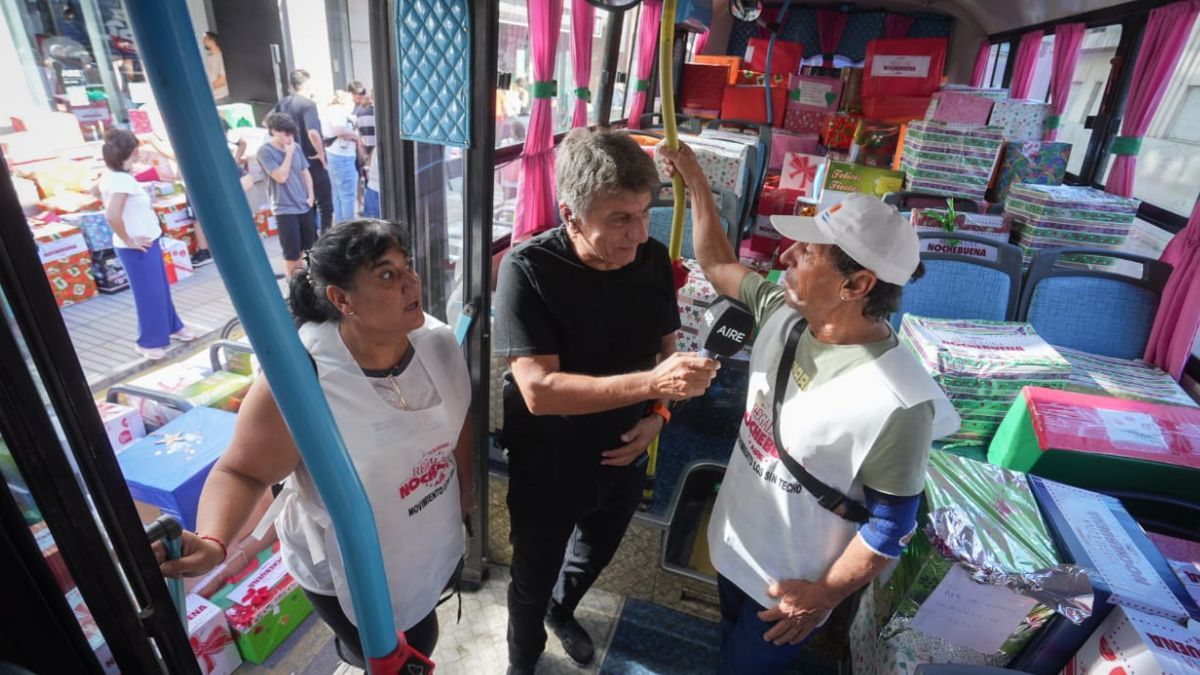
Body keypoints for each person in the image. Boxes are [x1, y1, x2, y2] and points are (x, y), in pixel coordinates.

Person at [659, 144, 960, 674]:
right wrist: (697, 181)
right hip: (731, 542)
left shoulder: (900, 402)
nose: (785, 258)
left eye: (810, 252)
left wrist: (822, 596)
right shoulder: (784, 310)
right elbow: (719, 263)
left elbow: (890, 526)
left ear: (857, 285)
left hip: (785, 591)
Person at [156, 219, 475, 669]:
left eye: (409, 268)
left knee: (424, 628)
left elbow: (457, 422)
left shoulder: (437, 344)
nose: (410, 283)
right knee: (394, 652)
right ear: (341, 299)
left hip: (421, 534)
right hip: (346, 561)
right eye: (387, 275)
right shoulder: (303, 380)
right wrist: (214, 542)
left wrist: (465, 489)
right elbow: (243, 472)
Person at [494, 128, 720, 675]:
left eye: (644, 215)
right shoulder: (527, 271)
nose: (638, 235)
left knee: (594, 550)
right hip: (548, 462)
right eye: (619, 219)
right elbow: (539, 393)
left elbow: (663, 351)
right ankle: (522, 660)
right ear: (571, 214)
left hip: (625, 449)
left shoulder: (648, 263)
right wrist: (652, 389)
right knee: (532, 572)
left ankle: (563, 609)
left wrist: (659, 417)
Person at [98, 128, 196, 360]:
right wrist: (128, 240)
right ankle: (148, 342)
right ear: (131, 152)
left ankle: (173, 326)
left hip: (145, 243)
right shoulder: (122, 180)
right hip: (137, 247)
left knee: (159, 289)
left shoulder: (112, 176)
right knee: (149, 294)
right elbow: (112, 215)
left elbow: (107, 204)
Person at [257, 112, 316, 278]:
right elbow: (280, 177)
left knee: (308, 249)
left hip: (304, 205)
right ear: (274, 131)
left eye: (292, 134)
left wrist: (311, 196)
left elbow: (305, 173)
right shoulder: (265, 152)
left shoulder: (296, 146)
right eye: (286, 134)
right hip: (285, 209)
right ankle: (292, 288)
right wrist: (288, 154)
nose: (290, 138)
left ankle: (307, 282)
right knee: (292, 254)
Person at [274, 69, 333, 233]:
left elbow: (268, 123)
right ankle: (325, 245)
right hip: (312, 161)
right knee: (325, 205)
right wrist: (321, 154)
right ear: (307, 84)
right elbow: (313, 132)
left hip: (293, 163)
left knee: (307, 205)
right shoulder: (308, 104)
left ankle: (311, 247)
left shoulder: (283, 103)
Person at [321, 89, 359, 225]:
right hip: (342, 156)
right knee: (347, 195)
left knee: (338, 194)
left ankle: (340, 225)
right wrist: (355, 136)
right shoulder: (339, 111)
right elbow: (339, 129)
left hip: (333, 154)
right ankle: (349, 229)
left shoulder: (329, 110)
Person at [201, 31, 228, 103]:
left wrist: (205, 89)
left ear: (212, 40)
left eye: (205, 38)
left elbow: (222, 80)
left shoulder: (222, 56)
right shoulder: (207, 58)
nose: (203, 40)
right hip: (211, 97)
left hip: (222, 97)